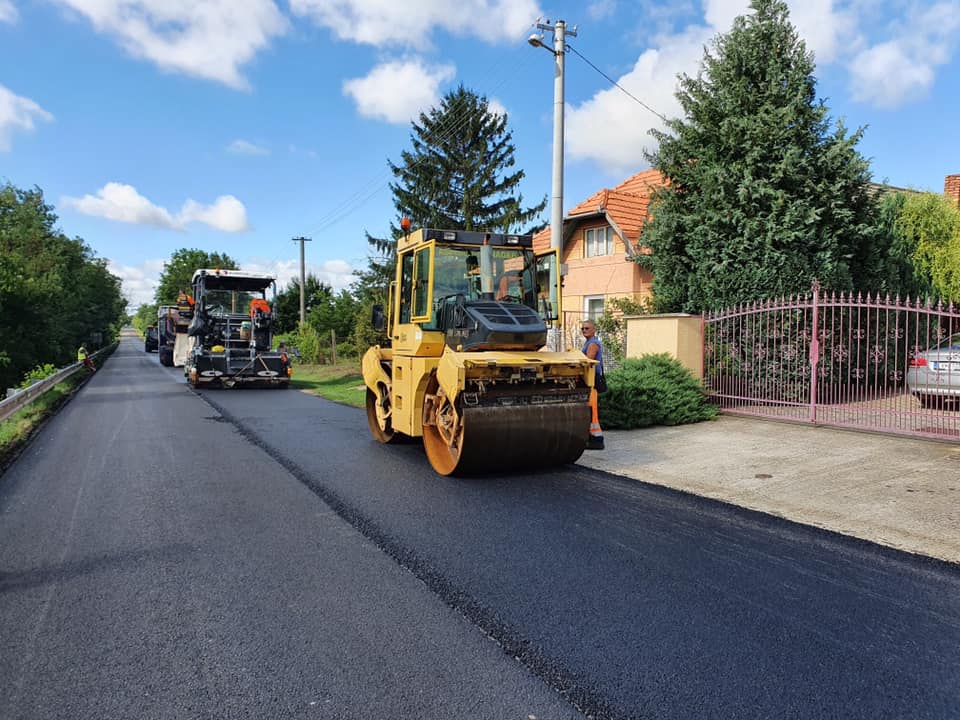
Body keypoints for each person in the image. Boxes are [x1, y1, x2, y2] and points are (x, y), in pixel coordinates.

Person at [581, 320, 604, 450]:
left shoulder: (593, 344)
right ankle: (594, 438)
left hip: (592, 381)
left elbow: (588, 361)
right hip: (591, 380)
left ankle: (596, 440)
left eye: (587, 328)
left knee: (592, 409)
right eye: (582, 328)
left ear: (594, 330)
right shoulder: (589, 342)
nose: (584, 330)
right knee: (591, 409)